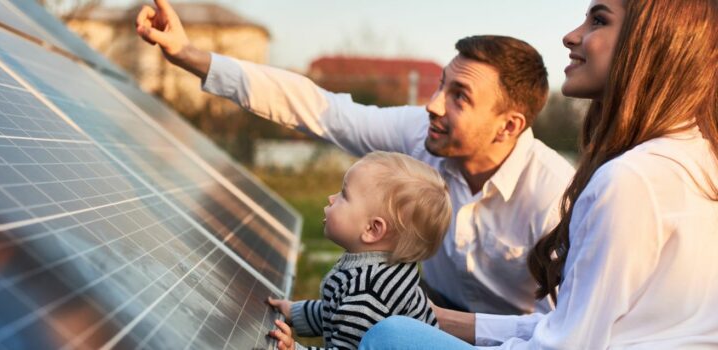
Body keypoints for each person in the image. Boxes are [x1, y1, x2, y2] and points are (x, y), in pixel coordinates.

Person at [135, 0, 575, 315]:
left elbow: (571, 328)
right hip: (424, 309)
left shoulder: (554, 195)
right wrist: (188, 56)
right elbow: (320, 109)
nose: (434, 104)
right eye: (442, 84)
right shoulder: (421, 135)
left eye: (459, 96)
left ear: (509, 125)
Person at [357, 0, 718, 348]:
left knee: (390, 337)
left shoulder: (630, 180)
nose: (570, 36)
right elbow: (571, 325)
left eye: (599, 20)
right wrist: (440, 320)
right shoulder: (698, 155)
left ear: (653, 43)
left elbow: (568, 346)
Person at [262, 151, 452, 350]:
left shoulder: (368, 294)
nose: (331, 198)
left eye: (344, 195)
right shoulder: (380, 269)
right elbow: (337, 312)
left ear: (372, 229)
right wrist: (295, 312)